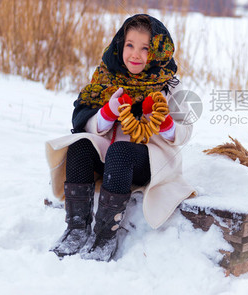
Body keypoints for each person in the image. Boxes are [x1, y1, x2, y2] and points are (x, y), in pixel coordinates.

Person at [45, 14, 196, 261]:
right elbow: (84, 120)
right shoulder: (107, 77)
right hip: (109, 157)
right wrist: (107, 112)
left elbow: (184, 131)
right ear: (120, 45)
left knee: (121, 151)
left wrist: (164, 121)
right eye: (130, 45)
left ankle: (105, 235)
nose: (135, 54)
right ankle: (76, 227)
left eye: (145, 48)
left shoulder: (169, 85)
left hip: (145, 161)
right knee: (79, 145)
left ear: (157, 52)